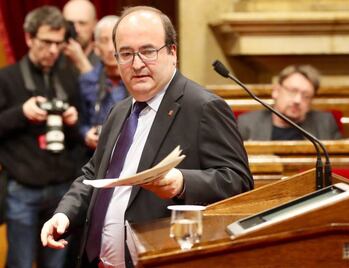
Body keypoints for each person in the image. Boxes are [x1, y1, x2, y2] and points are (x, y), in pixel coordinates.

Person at [41, 6, 253, 268]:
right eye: (126, 54)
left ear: (172, 52)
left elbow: (239, 182)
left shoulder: (203, 107)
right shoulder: (120, 110)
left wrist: (183, 182)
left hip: (160, 258)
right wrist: (65, 214)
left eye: (148, 51)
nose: (137, 64)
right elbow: (93, 175)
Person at [0, 6, 87, 268]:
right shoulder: (7, 78)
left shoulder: (69, 78)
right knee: (21, 263)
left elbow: (78, 137)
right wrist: (21, 112)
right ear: (28, 38)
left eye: (58, 44)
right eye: (46, 42)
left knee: (57, 264)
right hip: (22, 189)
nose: (52, 50)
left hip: (62, 189)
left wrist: (73, 122)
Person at [238, 64, 342, 140]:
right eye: (292, 91)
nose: (297, 100)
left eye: (306, 96)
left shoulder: (325, 123)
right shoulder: (248, 123)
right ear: (276, 91)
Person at [79, 15, 129, 150]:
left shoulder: (137, 77)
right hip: (94, 155)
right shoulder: (87, 80)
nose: (110, 48)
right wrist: (86, 134)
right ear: (96, 48)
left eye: (115, 40)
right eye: (104, 40)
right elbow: (80, 122)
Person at [63, 0, 99, 73]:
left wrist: (81, 61)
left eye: (82, 23)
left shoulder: (104, 61)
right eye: (70, 23)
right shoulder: (53, 56)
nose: (76, 29)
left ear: (95, 25)